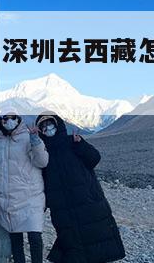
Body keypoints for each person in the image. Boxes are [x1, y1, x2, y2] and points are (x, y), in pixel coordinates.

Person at [36, 111, 126, 263]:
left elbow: (94, 159)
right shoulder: (42, 151)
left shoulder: (72, 142)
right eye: (43, 126)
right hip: (62, 206)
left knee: (96, 234)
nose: (48, 128)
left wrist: (81, 144)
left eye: (50, 124)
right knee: (71, 239)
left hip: (86, 199)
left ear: (58, 125)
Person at [0, 107, 48, 263]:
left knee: (34, 237)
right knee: (16, 240)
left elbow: (42, 162)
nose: (9, 121)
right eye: (5, 119)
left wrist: (36, 141)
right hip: (9, 197)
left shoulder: (29, 138)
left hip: (30, 196)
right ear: (1, 121)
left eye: (13, 118)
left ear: (18, 120)